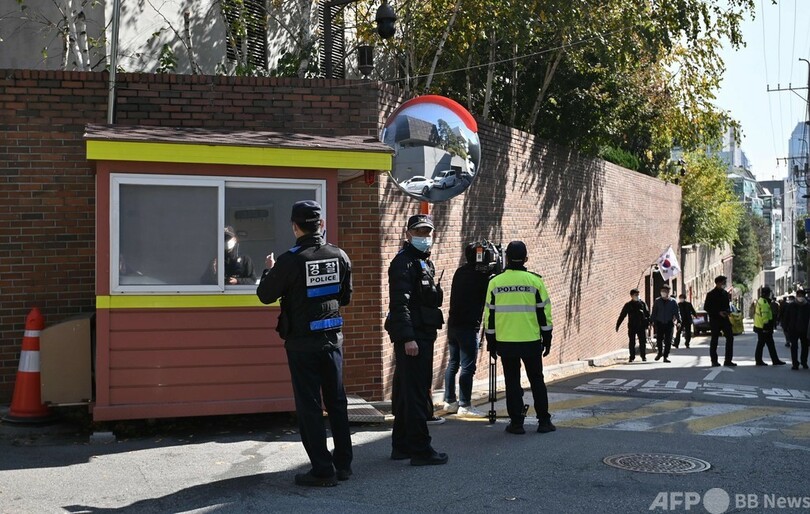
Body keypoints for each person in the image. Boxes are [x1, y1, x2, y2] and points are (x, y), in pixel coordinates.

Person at [256, 200, 353, 487]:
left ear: (295, 227)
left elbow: (265, 295)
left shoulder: (290, 260)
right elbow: (345, 297)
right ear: (321, 224)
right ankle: (343, 465)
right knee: (337, 402)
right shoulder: (339, 255)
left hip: (302, 345)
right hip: (332, 341)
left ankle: (322, 470)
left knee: (310, 406)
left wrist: (269, 270)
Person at [384, 214, 448, 466]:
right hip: (414, 337)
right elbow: (399, 304)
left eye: (427, 232)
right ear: (408, 234)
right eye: (419, 232)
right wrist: (408, 338)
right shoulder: (404, 263)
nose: (424, 236)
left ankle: (401, 446)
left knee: (405, 393)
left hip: (422, 334)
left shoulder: (423, 261)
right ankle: (421, 450)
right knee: (417, 393)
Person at [485, 241, 556, 435]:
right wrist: (547, 338)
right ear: (526, 259)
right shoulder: (535, 282)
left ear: (506, 258)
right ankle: (544, 421)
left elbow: (489, 316)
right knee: (536, 380)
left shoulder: (495, 282)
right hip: (530, 341)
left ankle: (516, 423)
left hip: (506, 342)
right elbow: (544, 314)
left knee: (512, 382)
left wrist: (491, 342)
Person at [442, 243, 493, 417]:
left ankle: (449, 401)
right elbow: (488, 294)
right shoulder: (481, 277)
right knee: (467, 367)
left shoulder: (460, 272)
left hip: (453, 325)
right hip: (468, 327)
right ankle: (465, 404)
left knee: (453, 363)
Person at [703, 275, 736, 367]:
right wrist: (718, 312)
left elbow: (727, 305)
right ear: (718, 283)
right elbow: (707, 307)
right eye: (723, 282)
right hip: (715, 320)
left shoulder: (725, 293)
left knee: (730, 338)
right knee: (714, 340)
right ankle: (714, 361)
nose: (724, 284)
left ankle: (728, 360)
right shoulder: (711, 294)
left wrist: (727, 311)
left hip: (725, 319)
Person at [753, 286, 786, 366]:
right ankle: (760, 360)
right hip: (764, 327)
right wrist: (766, 327)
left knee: (769, 344)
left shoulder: (761, 300)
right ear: (767, 294)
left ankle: (774, 360)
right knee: (762, 344)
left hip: (761, 326)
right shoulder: (764, 303)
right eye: (769, 293)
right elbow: (765, 316)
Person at [615, 289, 650, 362]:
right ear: (631, 296)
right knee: (632, 342)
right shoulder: (628, 305)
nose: (637, 296)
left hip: (641, 326)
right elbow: (622, 315)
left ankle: (643, 356)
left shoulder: (642, 304)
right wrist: (618, 325)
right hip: (632, 326)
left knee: (642, 342)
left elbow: (648, 314)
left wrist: (648, 323)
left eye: (638, 294)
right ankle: (632, 357)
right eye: (635, 295)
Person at [650, 285, 680, 363]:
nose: (663, 293)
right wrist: (651, 321)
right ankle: (660, 352)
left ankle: (666, 356)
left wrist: (679, 321)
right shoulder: (657, 301)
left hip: (669, 323)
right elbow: (654, 312)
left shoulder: (673, 302)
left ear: (668, 292)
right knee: (659, 340)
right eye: (662, 291)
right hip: (659, 323)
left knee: (668, 341)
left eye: (665, 291)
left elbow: (677, 312)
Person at [783, 289, 810, 370]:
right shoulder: (791, 305)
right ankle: (795, 363)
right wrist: (785, 327)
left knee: (805, 346)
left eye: (802, 296)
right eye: (799, 295)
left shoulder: (808, 305)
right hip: (793, 329)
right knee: (794, 347)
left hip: (805, 330)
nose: (800, 297)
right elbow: (786, 317)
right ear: (796, 296)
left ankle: (804, 361)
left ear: (804, 296)